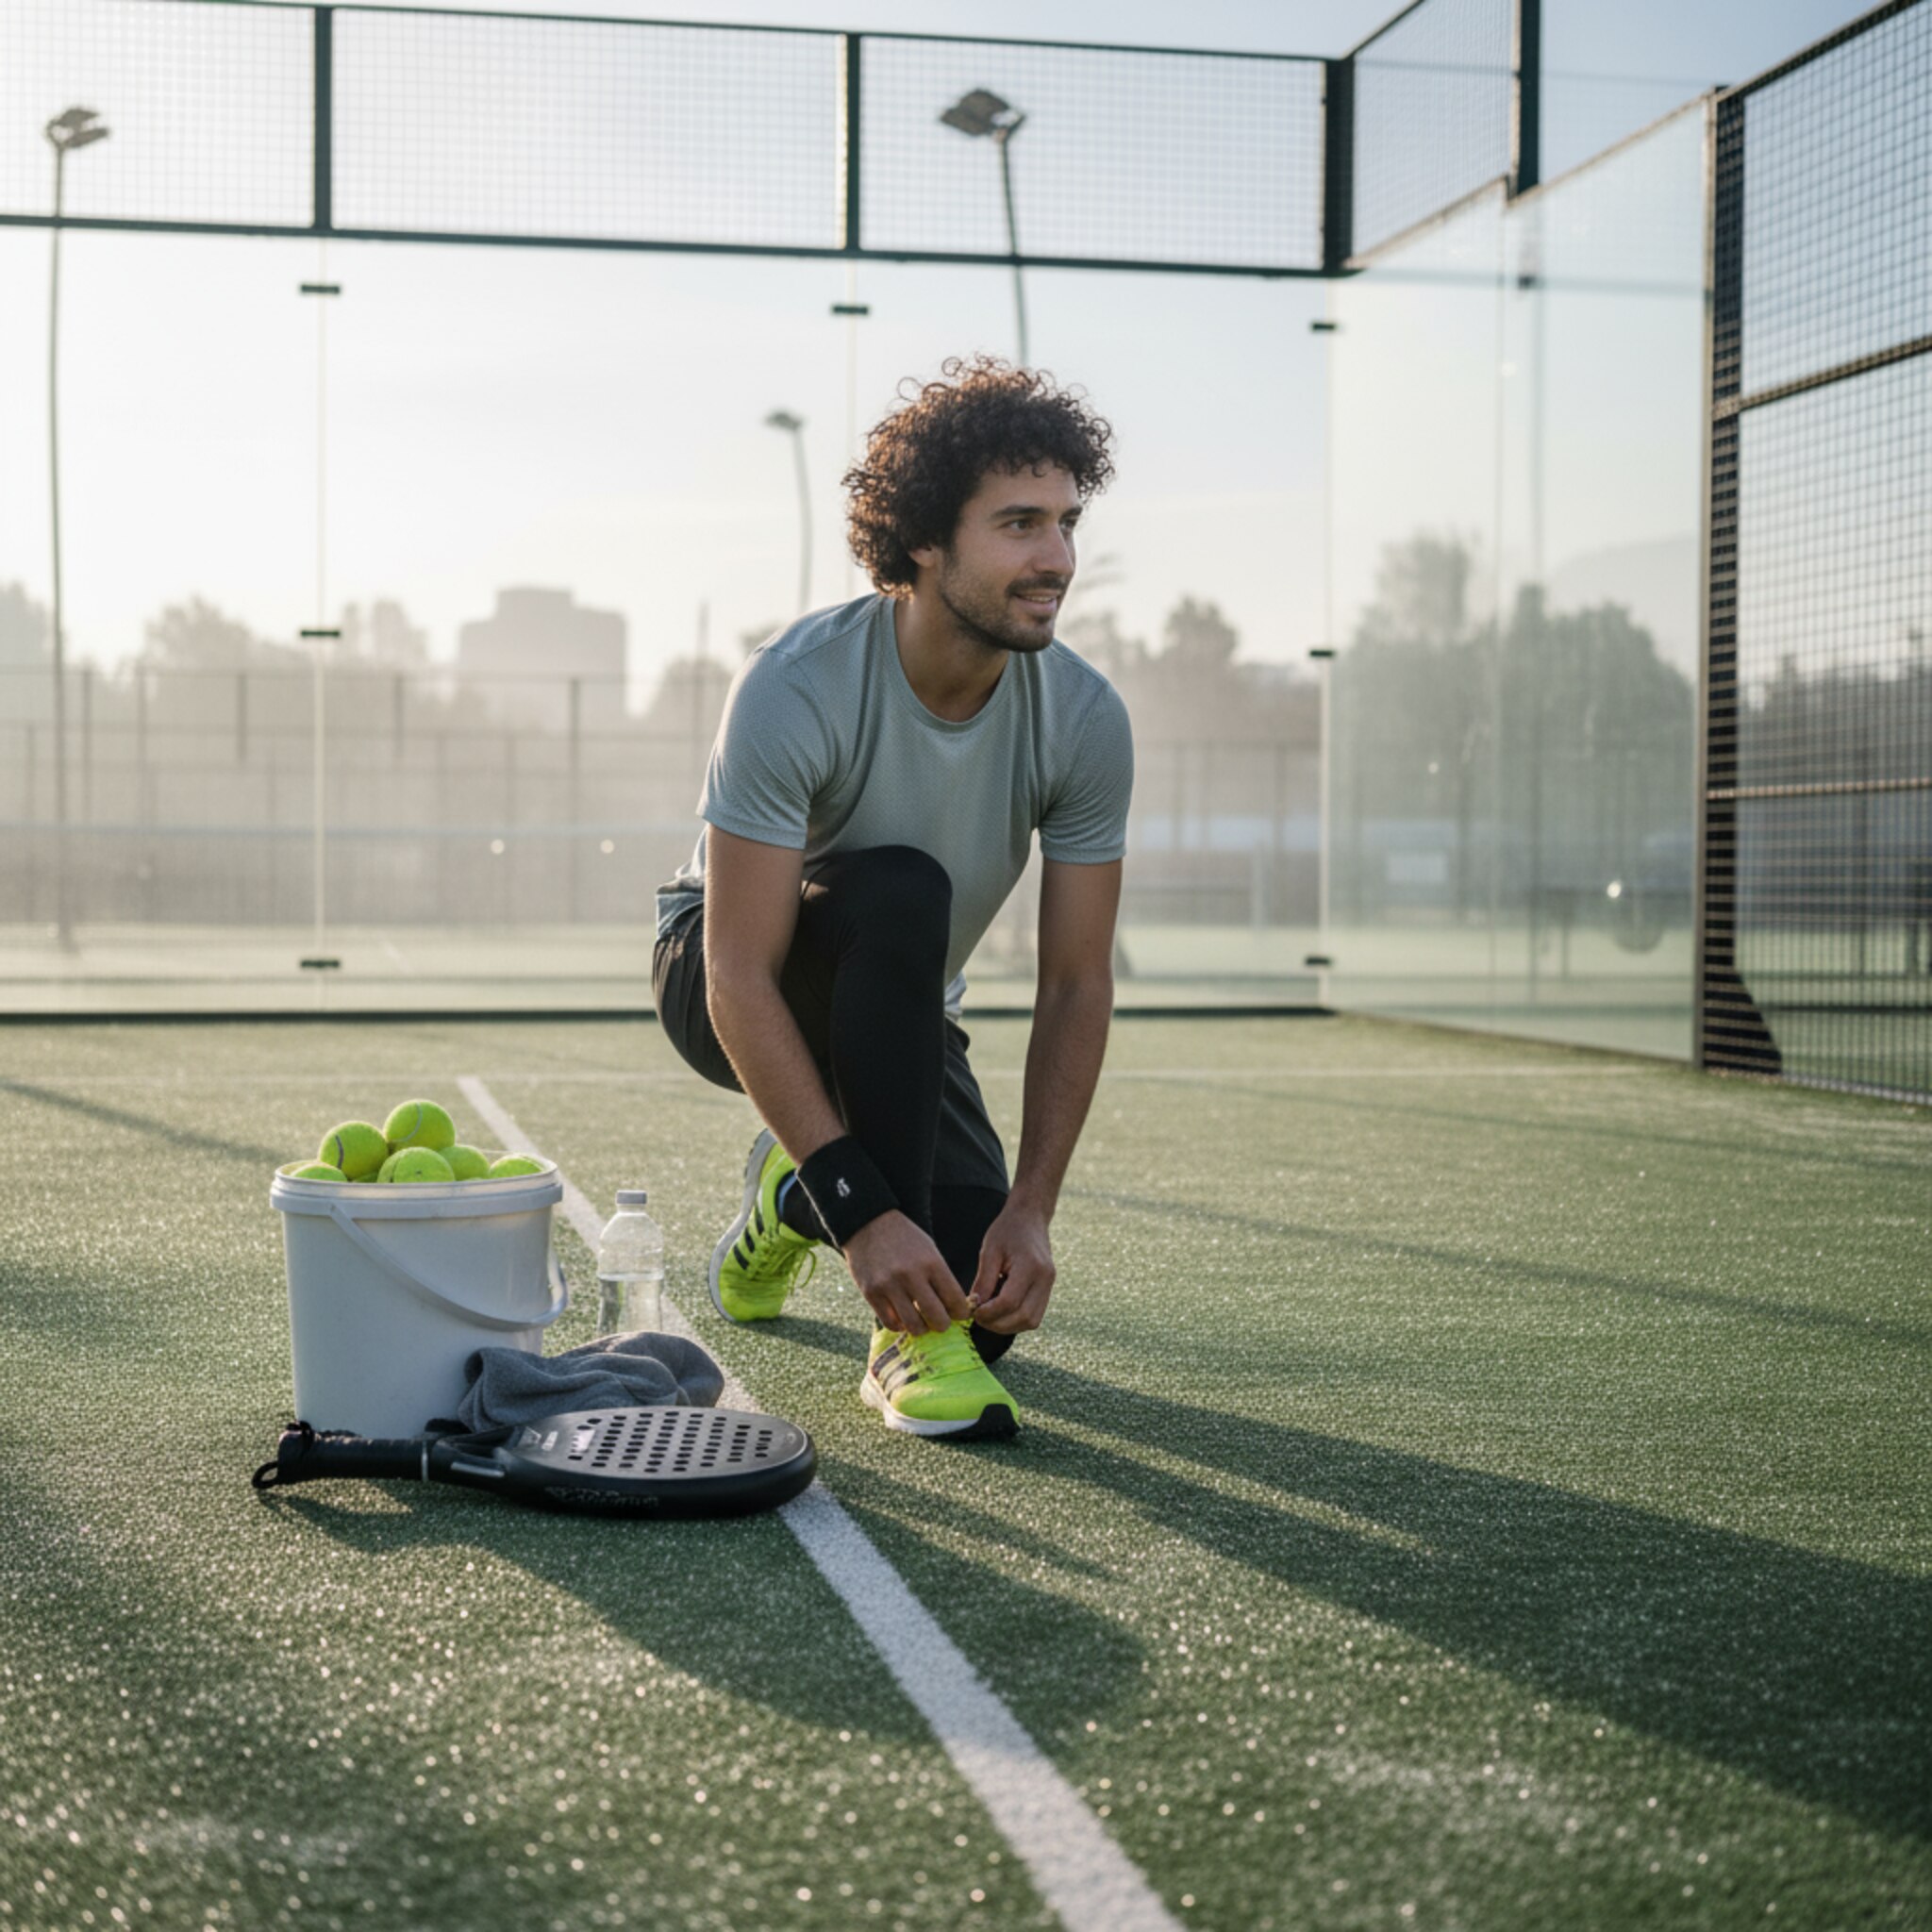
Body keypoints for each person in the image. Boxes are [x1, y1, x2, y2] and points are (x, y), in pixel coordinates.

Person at [653, 356, 1132, 1440]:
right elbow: (735, 969)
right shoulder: (797, 682)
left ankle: (787, 1193)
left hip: (904, 1009)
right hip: (723, 972)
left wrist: (1032, 1208)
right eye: (1018, 524)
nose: (1055, 558)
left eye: (1065, 522)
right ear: (923, 538)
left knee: (980, 1292)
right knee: (906, 888)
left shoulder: (1085, 719)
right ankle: (896, 1335)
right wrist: (866, 1214)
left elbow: (1073, 979)